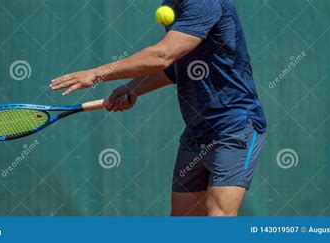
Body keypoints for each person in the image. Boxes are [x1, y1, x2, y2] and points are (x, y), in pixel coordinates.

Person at [50, 0, 267, 216]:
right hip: (196, 132)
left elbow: (162, 56)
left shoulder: (204, 2)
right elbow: (176, 67)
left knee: (219, 216)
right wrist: (133, 88)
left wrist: (97, 73)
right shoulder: (173, 3)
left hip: (234, 125)